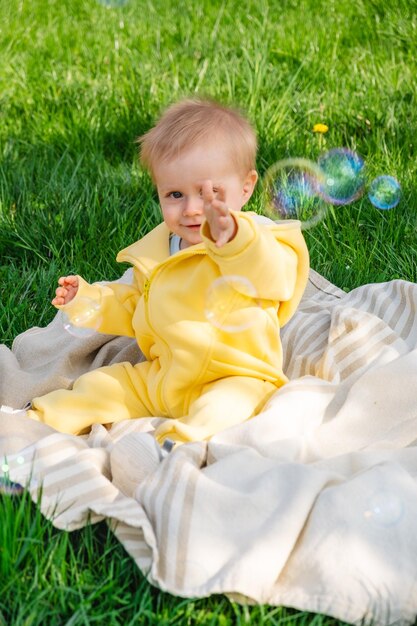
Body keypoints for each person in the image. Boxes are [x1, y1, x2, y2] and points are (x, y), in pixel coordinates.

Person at [25, 97, 310, 446]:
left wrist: (234, 238)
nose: (192, 209)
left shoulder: (255, 243)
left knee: (225, 409)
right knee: (102, 386)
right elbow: (134, 308)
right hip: (163, 378)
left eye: (210, 194)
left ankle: (180, 443)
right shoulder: (159, 254)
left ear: (246, 187)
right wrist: (87, 300)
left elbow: (273, 276)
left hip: (237, 376)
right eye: (175, 194)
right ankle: (36, 422)